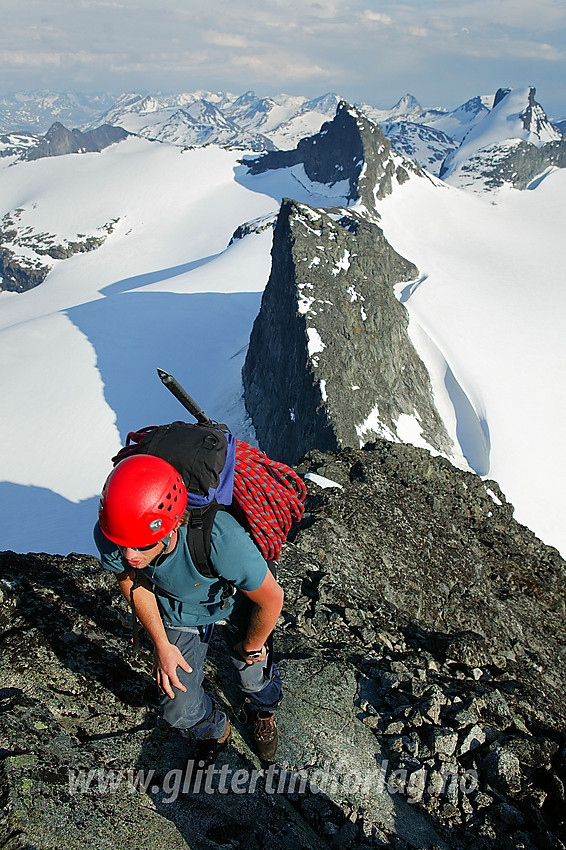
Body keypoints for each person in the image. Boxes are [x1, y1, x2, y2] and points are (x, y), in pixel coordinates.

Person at [94, 453, 284, 762]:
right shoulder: (116, 530)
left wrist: (252, 645)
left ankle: (264, 709)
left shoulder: (221, 540)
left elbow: (272, 598)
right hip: (180, 610)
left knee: (253, 674)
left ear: (172, 527)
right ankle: (213, 727)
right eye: (123, 544)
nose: (129, 554)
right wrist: (162, 643)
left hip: (235, 603)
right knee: (176, 708)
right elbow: (130, 579)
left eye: (142, 544)